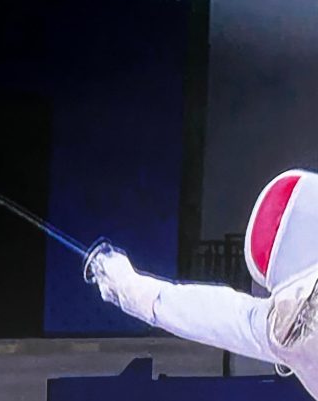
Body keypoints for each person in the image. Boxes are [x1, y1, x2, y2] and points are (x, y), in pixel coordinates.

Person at [86, 168, 318, 399]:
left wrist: (133, 289)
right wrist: (135, 290)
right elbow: (222, 315)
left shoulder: (282, 329)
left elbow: (225, 316)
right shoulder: (280, 325)